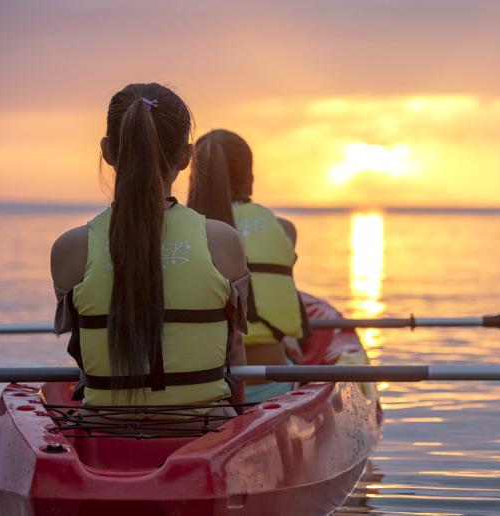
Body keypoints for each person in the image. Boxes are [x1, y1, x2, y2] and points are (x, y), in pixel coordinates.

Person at [49, 84, 250, 423]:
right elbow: (235, 353)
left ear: (108, 152)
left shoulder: (71, 248)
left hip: (101, 430)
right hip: (205, 430)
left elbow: (83, 351)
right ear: (186, 157)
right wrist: (243, 427)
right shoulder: (221, 240)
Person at [188, 129, 310, 403]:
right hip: (271, 384)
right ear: (250, 180)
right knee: (290, 351)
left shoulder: (178, 234)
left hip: (203, 390)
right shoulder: (284, 230)